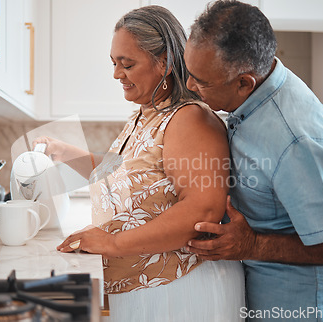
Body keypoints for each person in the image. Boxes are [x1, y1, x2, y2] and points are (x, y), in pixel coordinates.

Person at [34, 5, 245, 321]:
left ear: (165, 62)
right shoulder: (144, 115)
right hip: (145, 288)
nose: (117, 74)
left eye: (127, 64)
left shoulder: (190, 119)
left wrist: (112, 242)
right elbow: (120, 174)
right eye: (114, 63)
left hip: (182, 289)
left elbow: (202, 210)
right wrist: (65, 152)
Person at [183, 1, 323, 321]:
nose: (190, 86)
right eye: (190, 73)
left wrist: (253, 245)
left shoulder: (297, 140)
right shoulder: (258, 89)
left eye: (202, 81)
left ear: (244, 83)